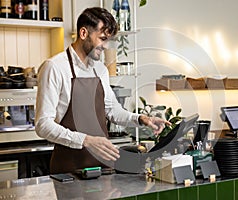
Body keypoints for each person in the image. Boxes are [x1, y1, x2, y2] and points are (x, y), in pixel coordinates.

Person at [35, 7, 170, 174]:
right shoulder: (54, 67)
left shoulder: (100, 70)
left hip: (102, 169)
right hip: (68, 170)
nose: (106, 46)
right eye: (102, 39)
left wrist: (141, 119)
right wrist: (86, 141)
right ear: (83, 33)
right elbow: (43, 125)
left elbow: (112, 110)